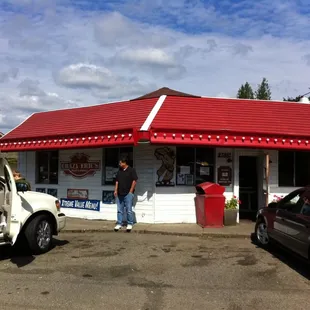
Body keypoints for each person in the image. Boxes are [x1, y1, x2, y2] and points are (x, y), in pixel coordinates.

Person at [114, 157, 138, 232]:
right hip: (120, 193)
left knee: (129, 210)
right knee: (119, 210)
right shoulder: (119, 171)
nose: (119, 164)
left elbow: (134, 180)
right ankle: (119, 223)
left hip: (128, 193)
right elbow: (117, 181)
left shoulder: (131, 170)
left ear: (124, 163)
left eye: (120, 163)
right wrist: (115, 190)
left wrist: (131, 191)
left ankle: (130, 223)